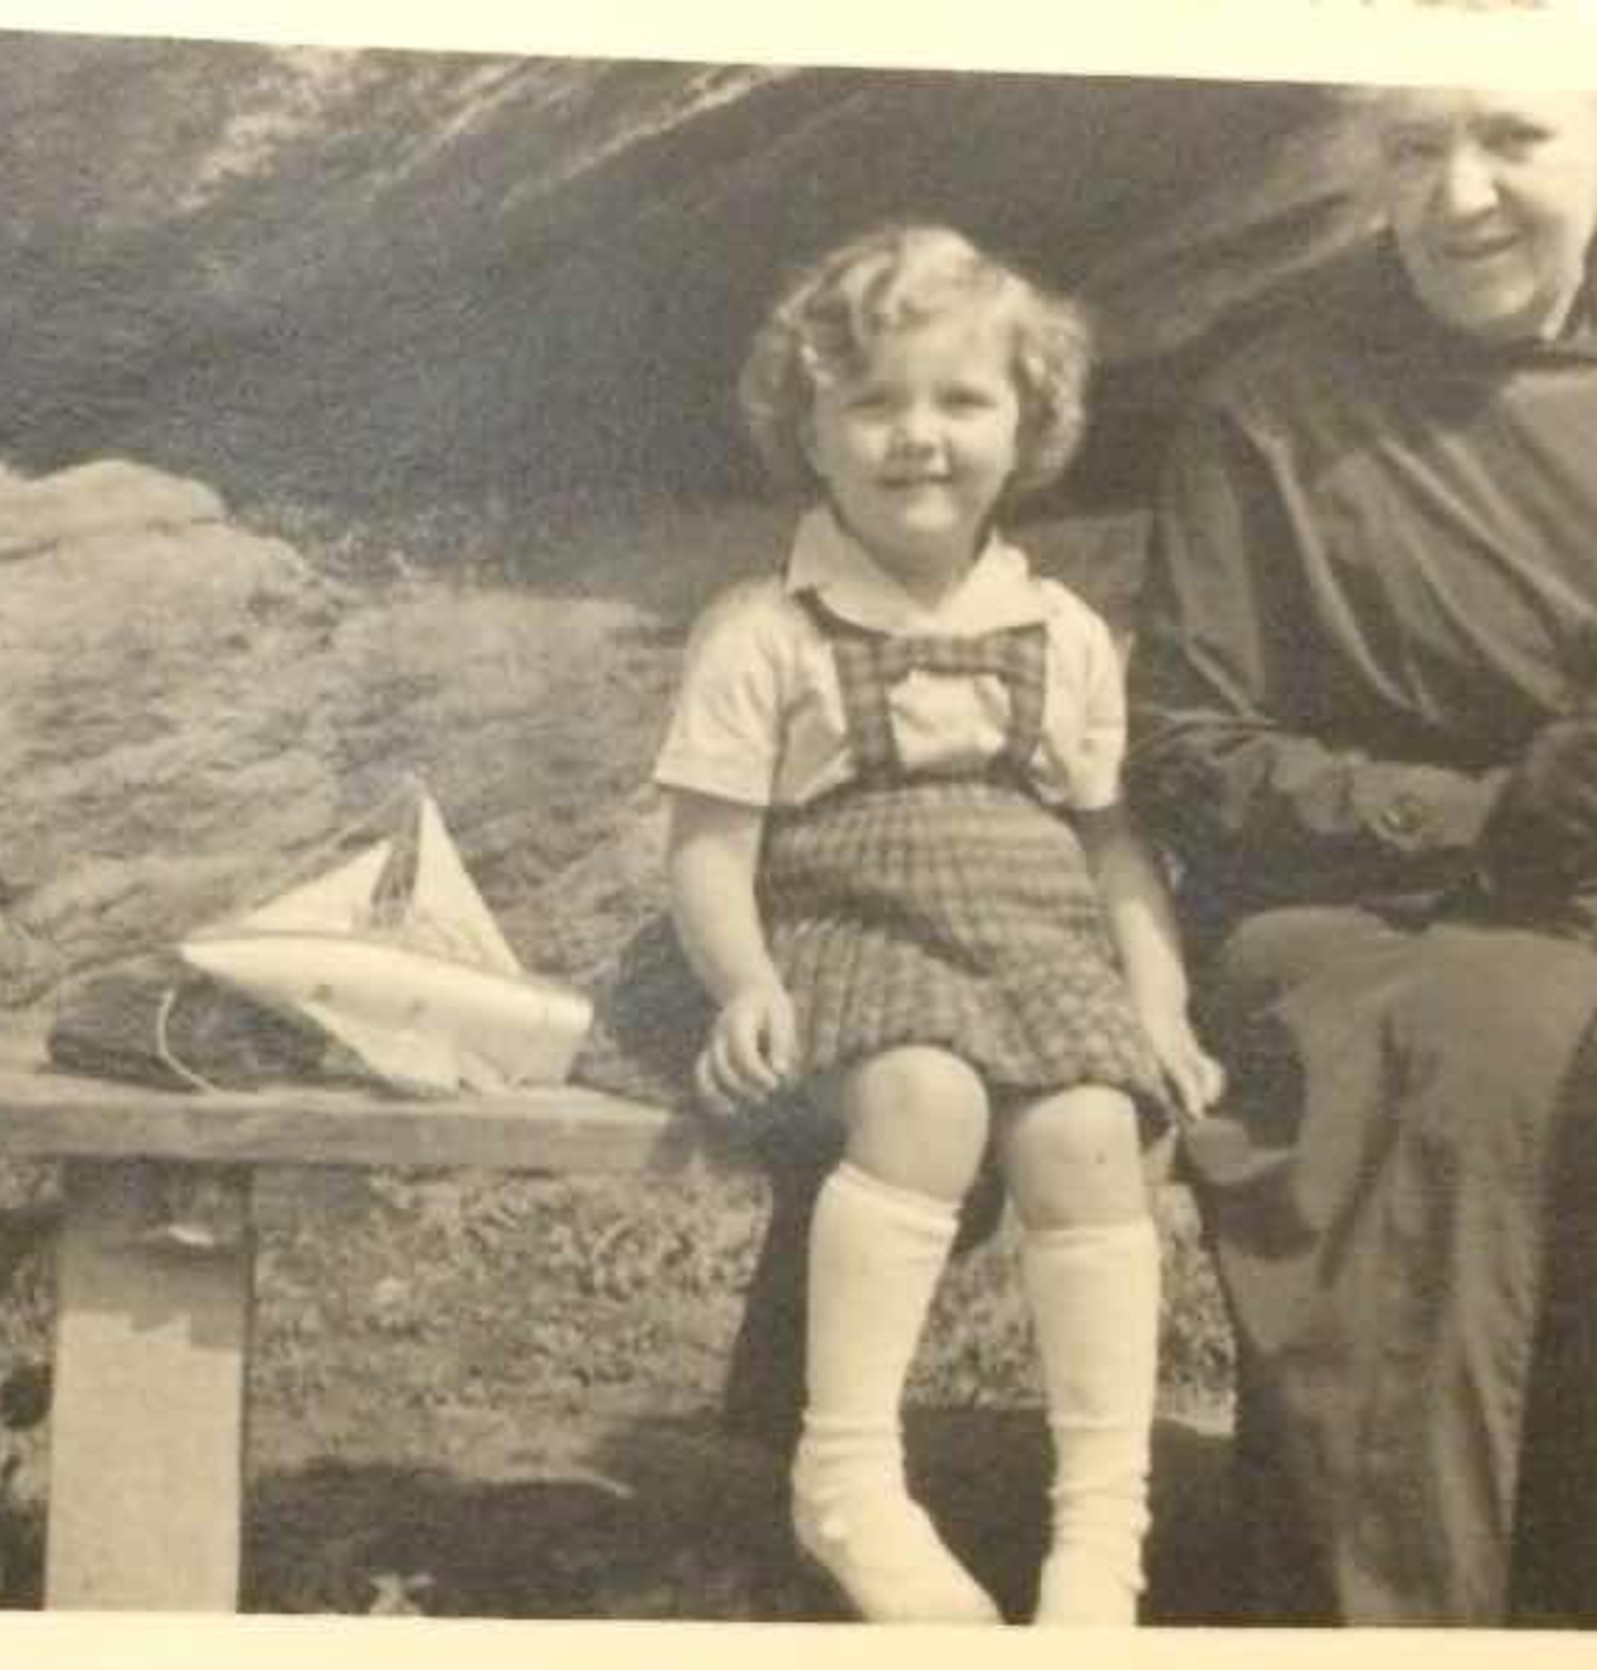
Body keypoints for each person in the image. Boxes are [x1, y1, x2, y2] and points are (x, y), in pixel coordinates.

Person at [1126, 86, 1597, 1626]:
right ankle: (1540, 1605)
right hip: (1404, 907)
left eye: (1513, 139)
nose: (1458, 195)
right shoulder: (1270, 408)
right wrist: (1480, 811)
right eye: (1414, 150)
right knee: (1587, 1103)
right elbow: (1189, 752)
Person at [653, 224, 1222, 1626]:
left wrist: (1157, 1003)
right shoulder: (769, 628)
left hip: (1033, 949)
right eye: (873, 403)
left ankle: (1103, 1531)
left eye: (962, 400)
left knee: (1089, 1127)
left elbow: (1110, 843)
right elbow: (709, 851)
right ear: (812, 433)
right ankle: (847, 1474)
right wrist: (743, 984)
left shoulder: (1063, 632)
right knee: (925, 1094)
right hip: (843, 935)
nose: (919, 437)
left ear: (1027, 425)